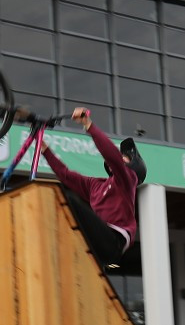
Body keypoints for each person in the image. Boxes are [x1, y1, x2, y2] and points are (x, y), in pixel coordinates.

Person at [41, 107, 146, 266]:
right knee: (58, 201)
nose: (119, 158)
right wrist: (44, 149)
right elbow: (65, 175)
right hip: (94, 245)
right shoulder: (95, 185)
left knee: (69, 200)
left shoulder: (128, 180)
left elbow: (112, 156)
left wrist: (88, 125)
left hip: (113, 242)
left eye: (123, 158)